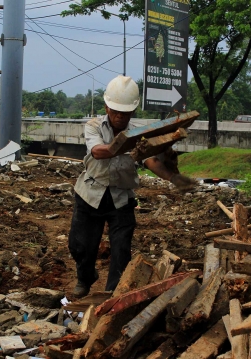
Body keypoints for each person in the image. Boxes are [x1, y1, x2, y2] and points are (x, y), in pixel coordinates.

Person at [68, 75, 197, 297]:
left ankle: (114, 291)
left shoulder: (139, 135)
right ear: (107, 107)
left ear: (133, 111)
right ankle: (85, 278)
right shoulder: (94, 127)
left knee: (121, 249)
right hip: (91, 192)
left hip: (121, 196)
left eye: (124, 113)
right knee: (81, 244)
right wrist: (124, 145)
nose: (119, 116)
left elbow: (150, 160)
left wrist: (172, 177)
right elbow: (98, 151)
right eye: (115, 111)